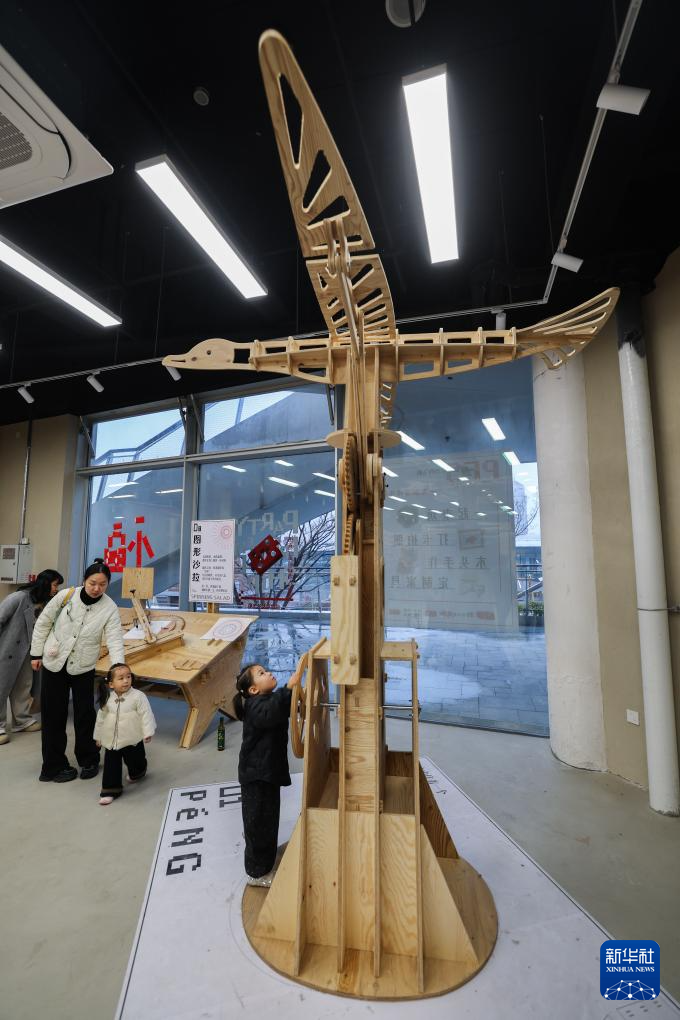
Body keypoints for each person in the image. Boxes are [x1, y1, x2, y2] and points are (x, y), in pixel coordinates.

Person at [30, 558, 125, 784]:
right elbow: (43, 623)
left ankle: (89, 759)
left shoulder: (109, 607)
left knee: (85, 715)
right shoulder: (66, 596)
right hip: (54, 662)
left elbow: (114, 639)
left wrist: (118, 669)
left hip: (83, 666)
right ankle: (52, 767)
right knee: (53, 716)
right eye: (92, 583)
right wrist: (36, 654)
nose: (96, 588)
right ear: (84, 580)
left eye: (102, 584)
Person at [235, 662, 299, 887]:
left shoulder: (268, 700)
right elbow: (271, 713)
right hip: (257, 776)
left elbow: (281, 708)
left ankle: (263, 858)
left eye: (266, 670)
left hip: (266, 773)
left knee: (267, 821)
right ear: (253, 690)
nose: (269, 672)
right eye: (261, 673)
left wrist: (295, 697)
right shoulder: (256, 707)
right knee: (260, 824)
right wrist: (289, 689)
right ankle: (256, 873)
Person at [0, 569, 63, 746]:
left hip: (29, 652)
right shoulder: (18, 598)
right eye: (55, 585)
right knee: (1, 687)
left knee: (24, 686)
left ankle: (22, 720)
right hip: (7, 650)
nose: (56, 589)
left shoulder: (47, 603)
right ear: (45, 583)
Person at [94, 663, 156, 806]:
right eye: (121, 678)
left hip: (132, 737)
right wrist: (98, 736)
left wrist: (147, 732)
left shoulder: (138, 696)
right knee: (111, 764)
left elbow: (146, 714)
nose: (126, 681)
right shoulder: (107, 698)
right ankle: (110, 790)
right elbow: (101, 718)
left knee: (136, 759)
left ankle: (138, 772)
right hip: (112, 740)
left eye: (128, 677)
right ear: (111, 684)